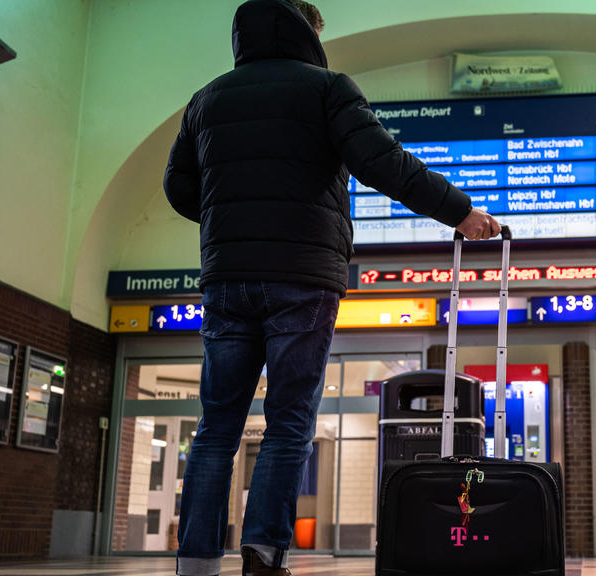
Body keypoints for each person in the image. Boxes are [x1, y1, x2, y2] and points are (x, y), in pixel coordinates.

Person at [162, 1, 500, 575]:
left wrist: (236, 222)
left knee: (217, 425)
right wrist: (460, 213)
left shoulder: (207, 98)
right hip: (302, 277)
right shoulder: (325, 88)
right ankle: (264, 555)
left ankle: (195, 561)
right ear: (307, 29)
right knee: (289, 421)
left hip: (226, 278)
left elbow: (178, 187)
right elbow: (383, 162)